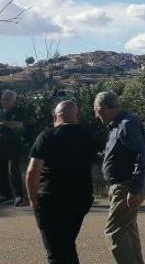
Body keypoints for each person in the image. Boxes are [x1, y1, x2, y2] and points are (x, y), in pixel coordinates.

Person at [25, 100, 98, 263]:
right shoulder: (89, 136)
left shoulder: (47, 136)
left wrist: (32, 198)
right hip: (81, 199)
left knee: (56, 251)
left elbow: (32, 170)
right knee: (66, 244)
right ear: (77, 116)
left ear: (54, 117)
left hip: (52, 199)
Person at [94, 90, 145, 264]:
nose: (96, 115)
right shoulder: (119, 124)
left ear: (104, 108)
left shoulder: (126, 124)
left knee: (114, 233)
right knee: (127, 231)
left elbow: (142, 155)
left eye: (96, 110)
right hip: (125, 185)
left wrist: (134, 189)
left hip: (126, 185)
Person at [0, 89, 31, 206]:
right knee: (1, 171)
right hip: (1, 145)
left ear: (14, 101)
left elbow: (18, 125)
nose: (5, 101)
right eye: (4, 99)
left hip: (15, 146)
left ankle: (19, 196)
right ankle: (6, 195)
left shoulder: (19, 111)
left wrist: (4, 123)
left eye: (8, 99)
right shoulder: (1, 112)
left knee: (14, 171)